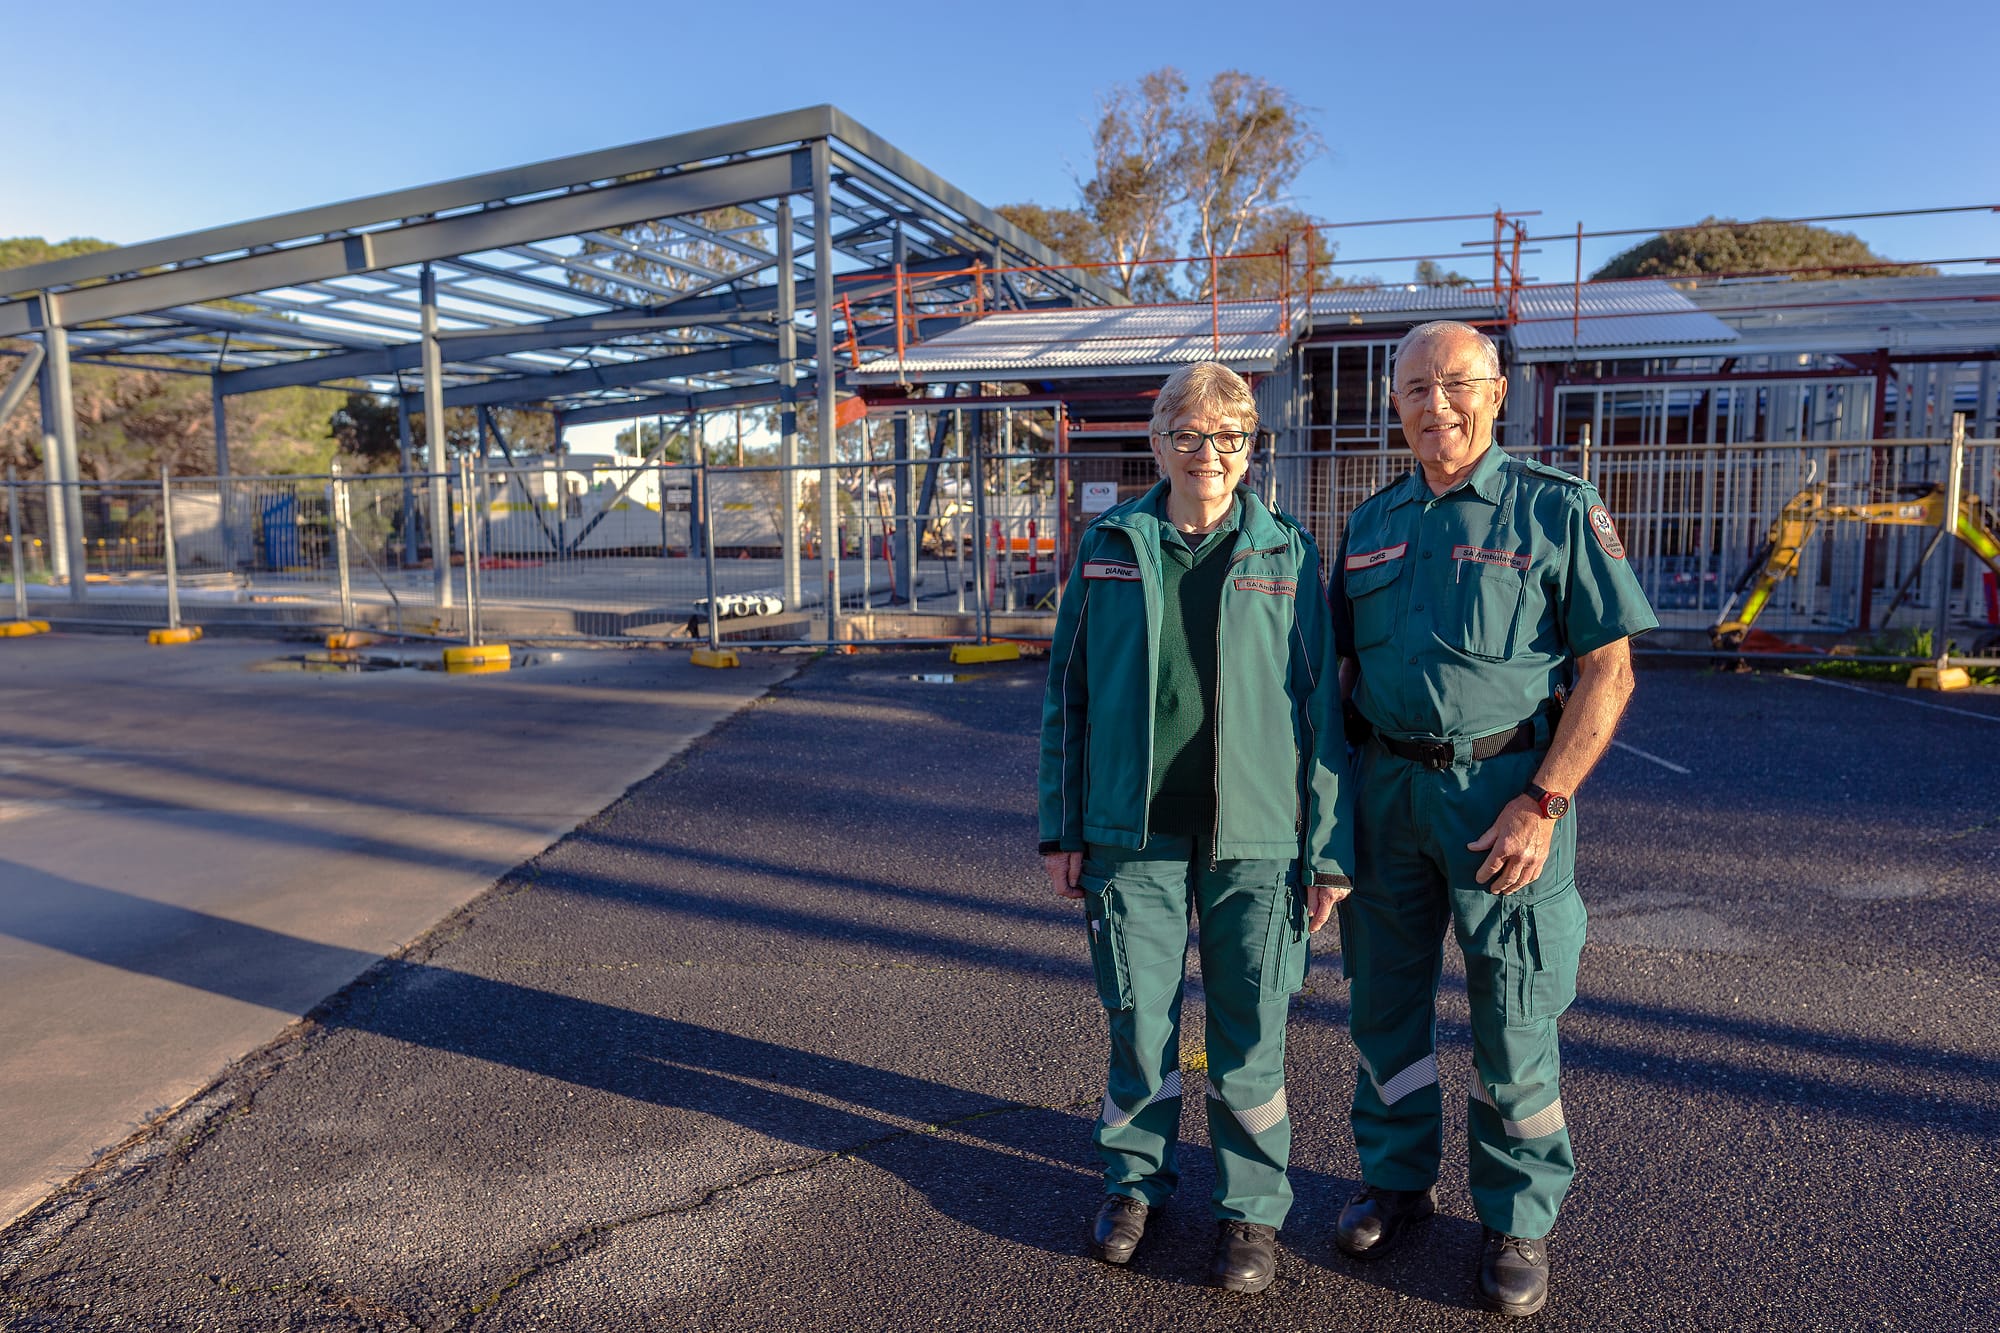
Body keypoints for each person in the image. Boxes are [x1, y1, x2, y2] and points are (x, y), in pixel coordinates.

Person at [1328, 320, 1657, 1318]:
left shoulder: (1554, 508)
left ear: (1497, 392)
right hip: (1386, 795)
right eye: (1415, 389)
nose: (1437, 405)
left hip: (1503, 797)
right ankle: (1395, 1181)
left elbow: (1608, 672)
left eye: (1457, 384)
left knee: (1512, 1014)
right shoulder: (1371, 521)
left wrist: (1543, 801)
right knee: (1383, 1006)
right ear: (1394, 405)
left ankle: (1516, 1218)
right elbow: (1337, 673)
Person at [1038, 360, 1353, 1294]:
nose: (1206, 453)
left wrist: (1327, 850)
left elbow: (1321, 713)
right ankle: (1133, 1186)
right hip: (1130, 832)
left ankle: (1251, 1209)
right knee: (1140, 1021)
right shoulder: (1109, 546)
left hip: (1258, 839)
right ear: (1158, 443)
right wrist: (1063, 827)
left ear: (1250, 448)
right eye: (1187, 434)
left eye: (1227, 437)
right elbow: (1068, 694)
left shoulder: (1288, 554)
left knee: (1251, 1029)